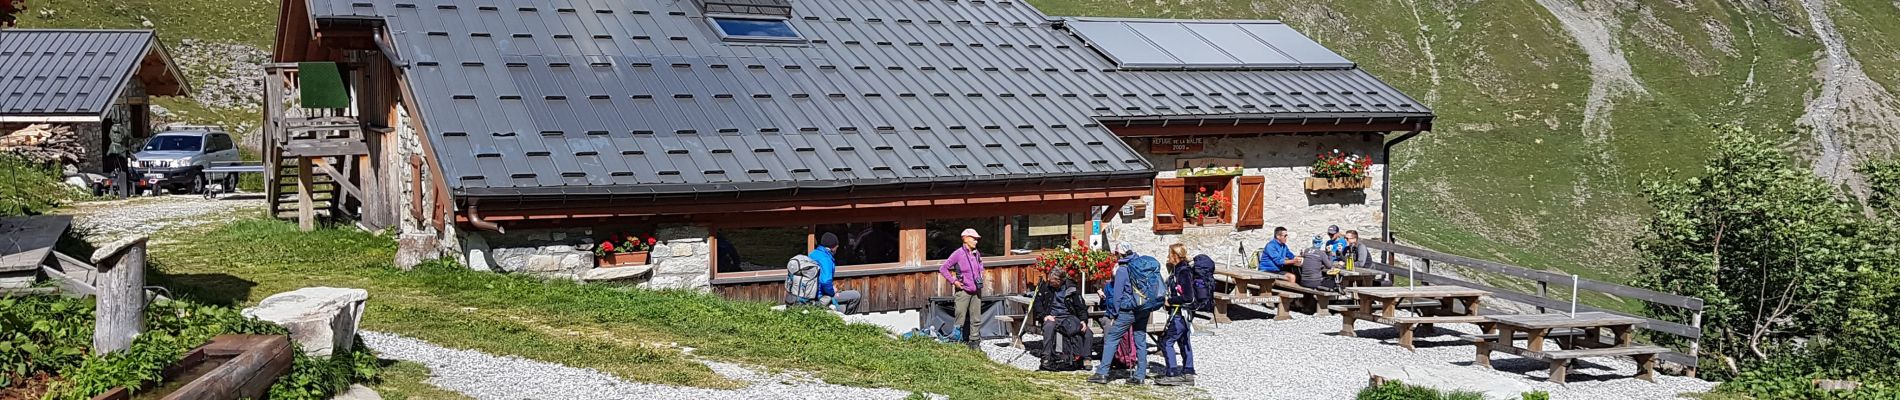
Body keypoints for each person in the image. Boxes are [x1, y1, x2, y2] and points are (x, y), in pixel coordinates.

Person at [1089, 255, 1158, 385]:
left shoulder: (1123, 269)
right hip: (1143, 308)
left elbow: (1117, 295)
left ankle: (1102, 373)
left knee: (1112, 338)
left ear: (1120, 254)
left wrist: (1114, 315)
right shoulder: (1140, 267)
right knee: (1140, 340)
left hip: (1128, 310)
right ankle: (1140, 375)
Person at [1157, 246, 1200, 386]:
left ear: (1175, 256)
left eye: (1170, 254)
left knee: (1166, 341)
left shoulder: (1183, 272)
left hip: (1179, 313)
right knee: (1184, 341)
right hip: (1184, 314)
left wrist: (1170, 301)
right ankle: (1188, 373)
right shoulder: (1181, 270)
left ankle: (1172, 373)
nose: (1168, 257)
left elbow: (1188, 297)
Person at [1030, 268, 1090, 371]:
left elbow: (1081, 307)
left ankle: (1086, 358)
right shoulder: (1046, 287)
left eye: (1053, 281)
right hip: (1052, 316)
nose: (1050, 283)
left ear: (1060, 280)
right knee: (1049, 327)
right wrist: (1044, 316)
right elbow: (1037, 303)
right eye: (1050, 280)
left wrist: (1083, 320)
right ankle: (1046, 358)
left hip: (1069, 317)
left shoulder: (1072, 288)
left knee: (1087, 332)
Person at [939, 228, 986, 346]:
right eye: (973, 239)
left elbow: (980, 264)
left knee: (976, 318)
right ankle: (957, 341)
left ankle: (974, 342)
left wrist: (981, 273)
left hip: (976, 290)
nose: (976, 241)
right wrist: (954, 281)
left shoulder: (976, 253)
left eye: (977, 239)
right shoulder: (958, 254)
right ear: (965, 239)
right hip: (963, 291)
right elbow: (943, 268)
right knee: (960, 316)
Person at [809, 233, 863, 313]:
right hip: (821, 296)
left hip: (811, 293)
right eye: (837, 247)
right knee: (855, 295)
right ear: (833, 247)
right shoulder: (826, 258)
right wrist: (832, 291)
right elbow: (825, 281)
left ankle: (839, 311)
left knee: (842, 305)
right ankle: (847, 319)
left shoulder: (813, 254)